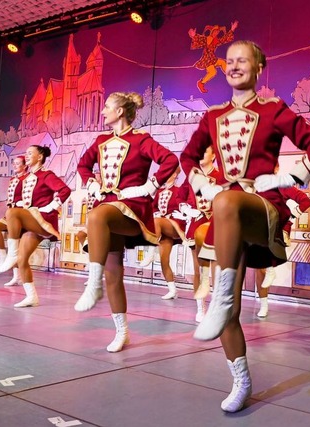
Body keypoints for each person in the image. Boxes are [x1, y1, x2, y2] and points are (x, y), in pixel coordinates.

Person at [179, 40, 310, 412]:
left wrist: (284, 179)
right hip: (225, 213)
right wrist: (204, 183)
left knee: (228, 201)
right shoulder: (212, 115)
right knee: (228, 315)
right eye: (229, 61)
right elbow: (187, 156)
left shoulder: (273, 109)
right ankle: (241, 381)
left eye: (242, 60)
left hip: (261, 207)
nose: (233, 66)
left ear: (259, 67)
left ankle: (221, 297)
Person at [73, 91, 179, 354]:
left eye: (107, 107)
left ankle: (92, 284)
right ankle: (122, 332)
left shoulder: (141, 140)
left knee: (96, 215)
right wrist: (92, 182)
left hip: (132, 210)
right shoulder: (100, 141)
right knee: (114, 274)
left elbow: (170, 160)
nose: (102, 111)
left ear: (120, 111)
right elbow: (83, 165)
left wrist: (149, 186)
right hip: (108, 212)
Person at [0, 145, 71, 307]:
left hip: (44, 220)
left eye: (30, 153)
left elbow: (64, 190)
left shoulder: (46, 175)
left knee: (12, 213)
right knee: (23, 260)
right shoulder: (28, 177)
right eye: (26, 152)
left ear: (40, 156)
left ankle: (11, 254)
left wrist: (50, 207)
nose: (27, 155)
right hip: (32, 220)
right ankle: (32, 297)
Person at [254, 184, 310, 318]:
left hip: (276, 230)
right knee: (258, 268)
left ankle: (270, 268)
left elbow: (305, 201)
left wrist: (290, 218)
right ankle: (264, 304)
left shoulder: (281, 185)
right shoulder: (254, 185)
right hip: (258, 228)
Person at [178, 145, 220, 322]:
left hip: (216, 224)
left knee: (217, 269)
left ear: (214, 155)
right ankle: (200, 307)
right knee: (198, 269)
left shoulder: (221, 177)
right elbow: (179, 198)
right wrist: (186, 209)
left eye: (205, 151)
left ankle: (217, 307)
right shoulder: (191, 178)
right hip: (196, 224)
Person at [151, 167, 190, 300]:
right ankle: (172, 290)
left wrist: (175, 216)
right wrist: (159, 215)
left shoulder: (179, 190)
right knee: (164, 260)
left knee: (156, 222)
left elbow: (182, 206)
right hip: (162, 226)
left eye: (170, 173)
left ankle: (151, 251)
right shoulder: (160, 192)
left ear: (174, 175)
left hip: (175, 225)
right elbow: (154, 207)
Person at [0, 155, 28, 287]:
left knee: (17, 248)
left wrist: (23, 202)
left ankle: (17, 277)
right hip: (11, 213)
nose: (14, 165)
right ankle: (2, 257)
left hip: (22, 213)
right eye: (14, 163)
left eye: (18, 163)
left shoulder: (28, 179)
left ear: (25, 166)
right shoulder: (13, 179)